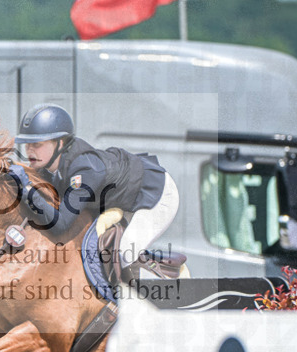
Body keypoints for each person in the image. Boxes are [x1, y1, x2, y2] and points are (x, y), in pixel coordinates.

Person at [9, 103, 180, 280]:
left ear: (60, 143)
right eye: (27, 144)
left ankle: (147, 298)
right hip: (122, 196)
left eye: (37, 144)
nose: (29, 151)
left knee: (126, 251)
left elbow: (61, 224)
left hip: (156, 193)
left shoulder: (85, 169)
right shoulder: (49, 166)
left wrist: (26, 190)